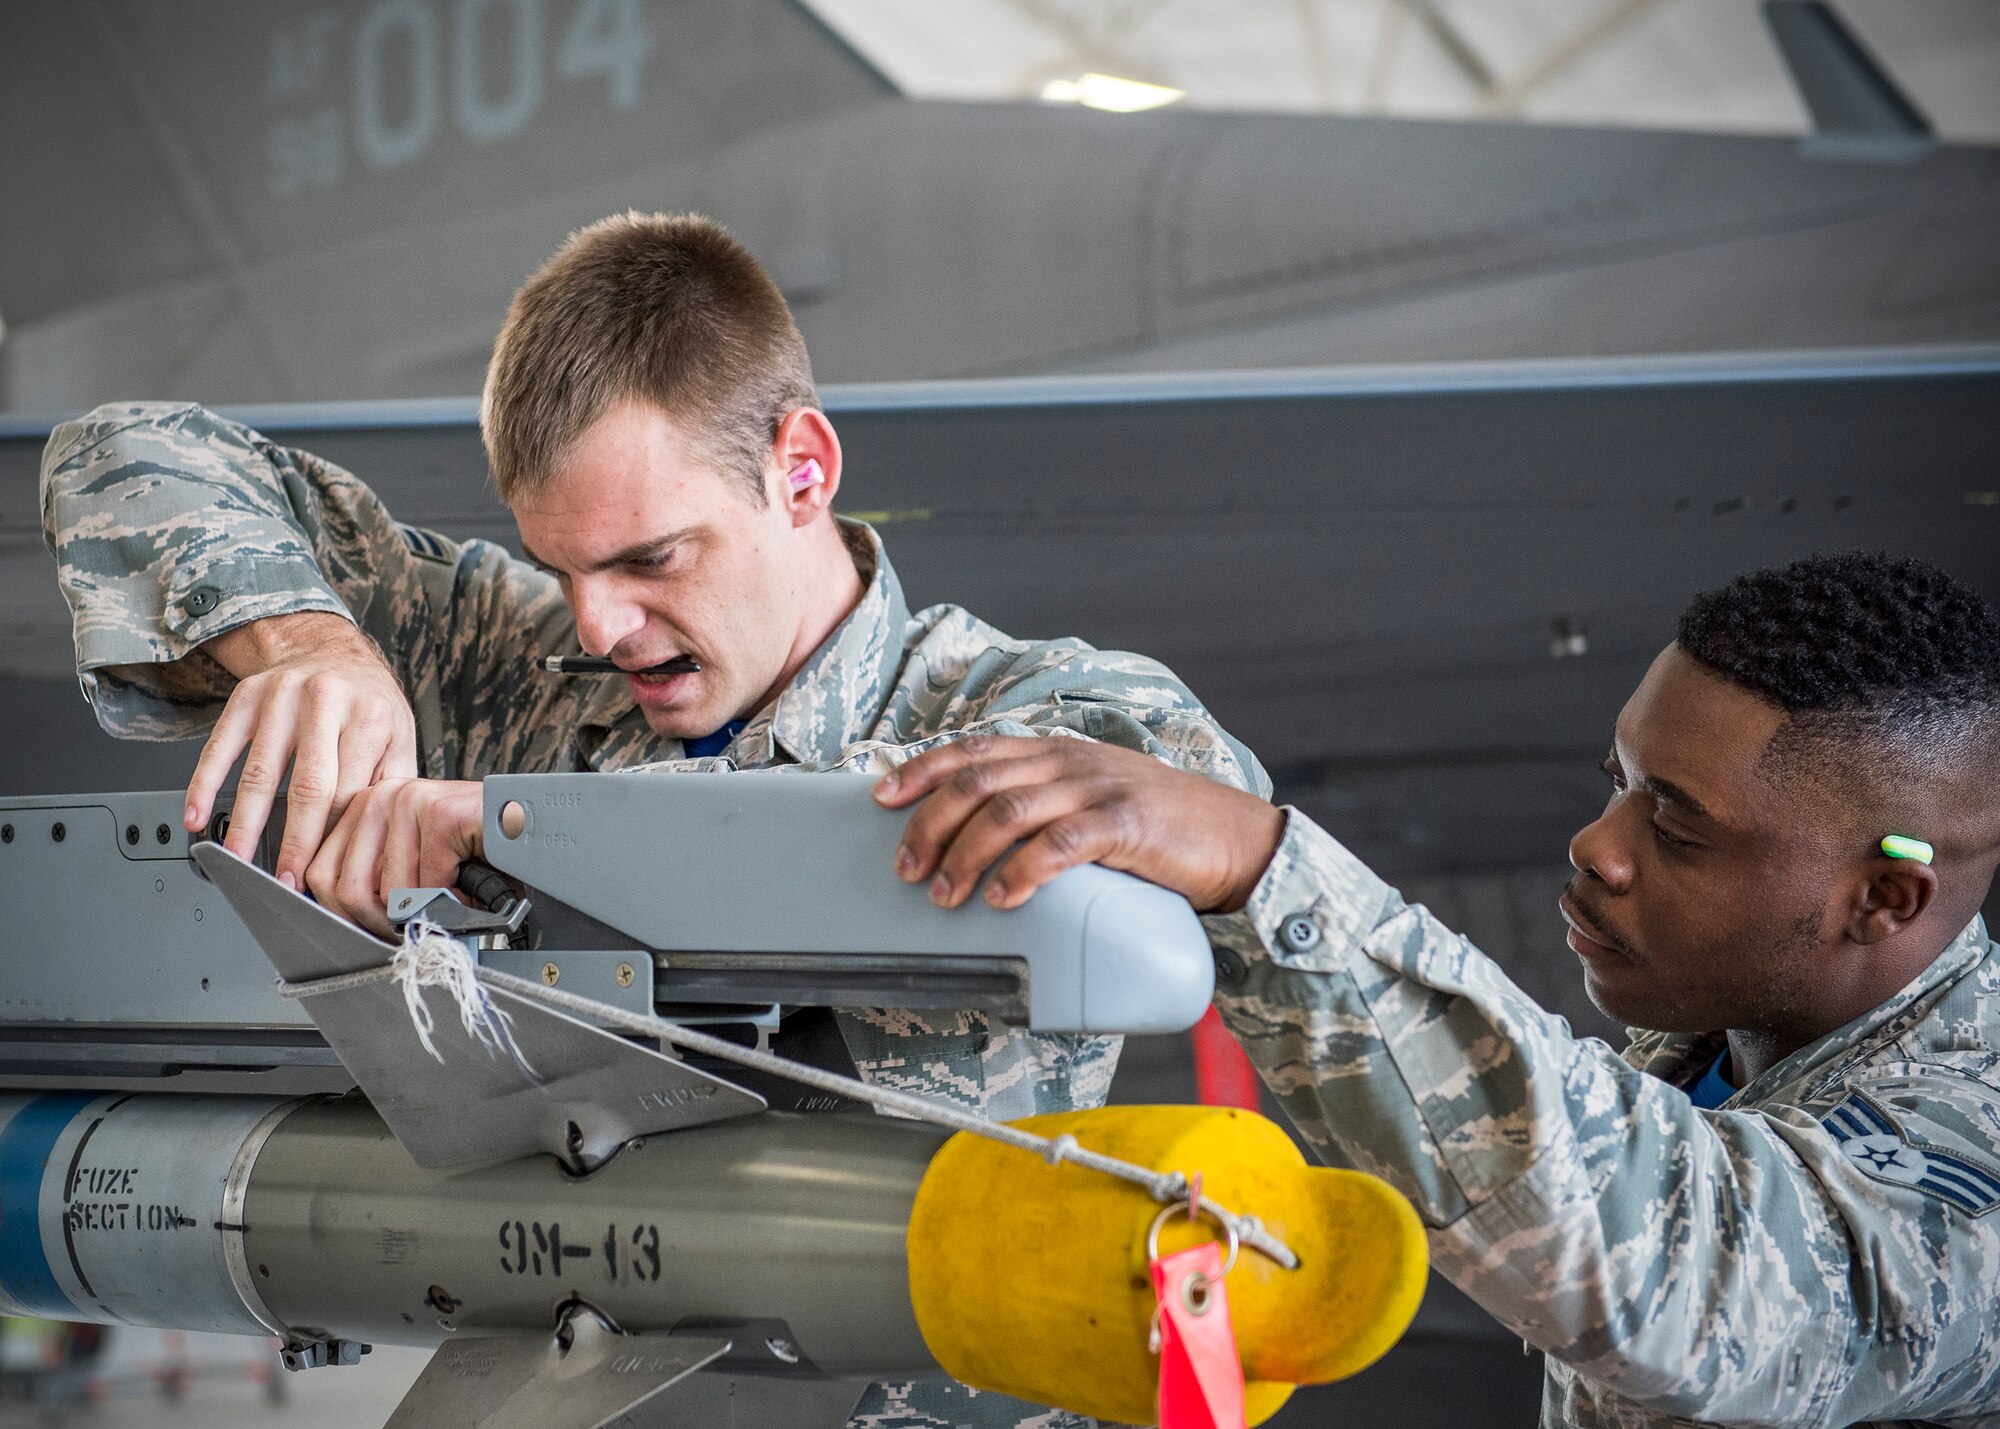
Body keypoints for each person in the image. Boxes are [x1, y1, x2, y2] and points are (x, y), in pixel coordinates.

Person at [39, 211, 1266, 1429]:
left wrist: (506, 828)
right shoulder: (514, 656)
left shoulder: (1037, 707)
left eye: (649, 559)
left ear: (801, 469)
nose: (595, 628)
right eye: (562, 569)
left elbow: (955, 802)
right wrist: (310, 644)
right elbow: (119, 451)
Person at [878, 551, 2000, 1429]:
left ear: (1882, 901)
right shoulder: (1716, 1050)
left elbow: (1686, 1271)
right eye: (1616, 785)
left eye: (1673, 826)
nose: (1596, 847)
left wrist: (1265, 875)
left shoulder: (1973, 1164)